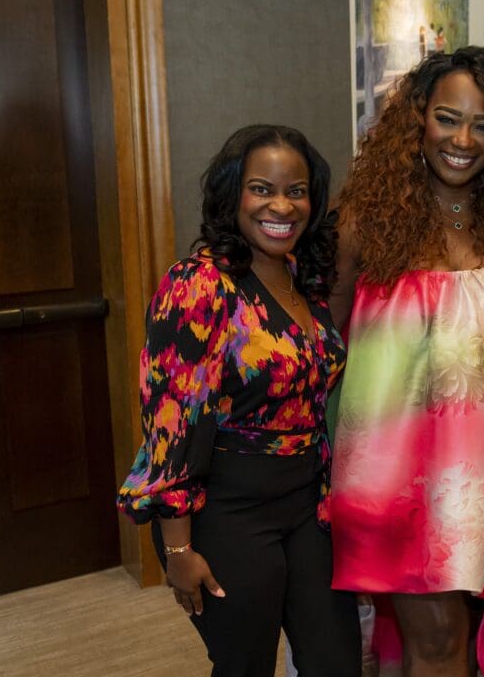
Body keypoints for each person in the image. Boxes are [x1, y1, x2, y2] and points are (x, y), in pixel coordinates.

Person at [329, 47, 484, 677]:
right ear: (417, 121)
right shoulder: (366, 224)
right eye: (446, 118)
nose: (462, 139)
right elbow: (323, 348)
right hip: (399, 484)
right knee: (437, 641)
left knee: (462, 640)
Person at [116, 125, 361, 677]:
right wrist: (178, 552)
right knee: (245, 665)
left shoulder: (304, 277)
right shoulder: (199, 284)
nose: (281, 205)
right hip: (227, 513)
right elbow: (170, 424)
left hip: (309, 510)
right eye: (262, 188)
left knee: (336, 662)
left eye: (296, 191)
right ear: (233, 195)